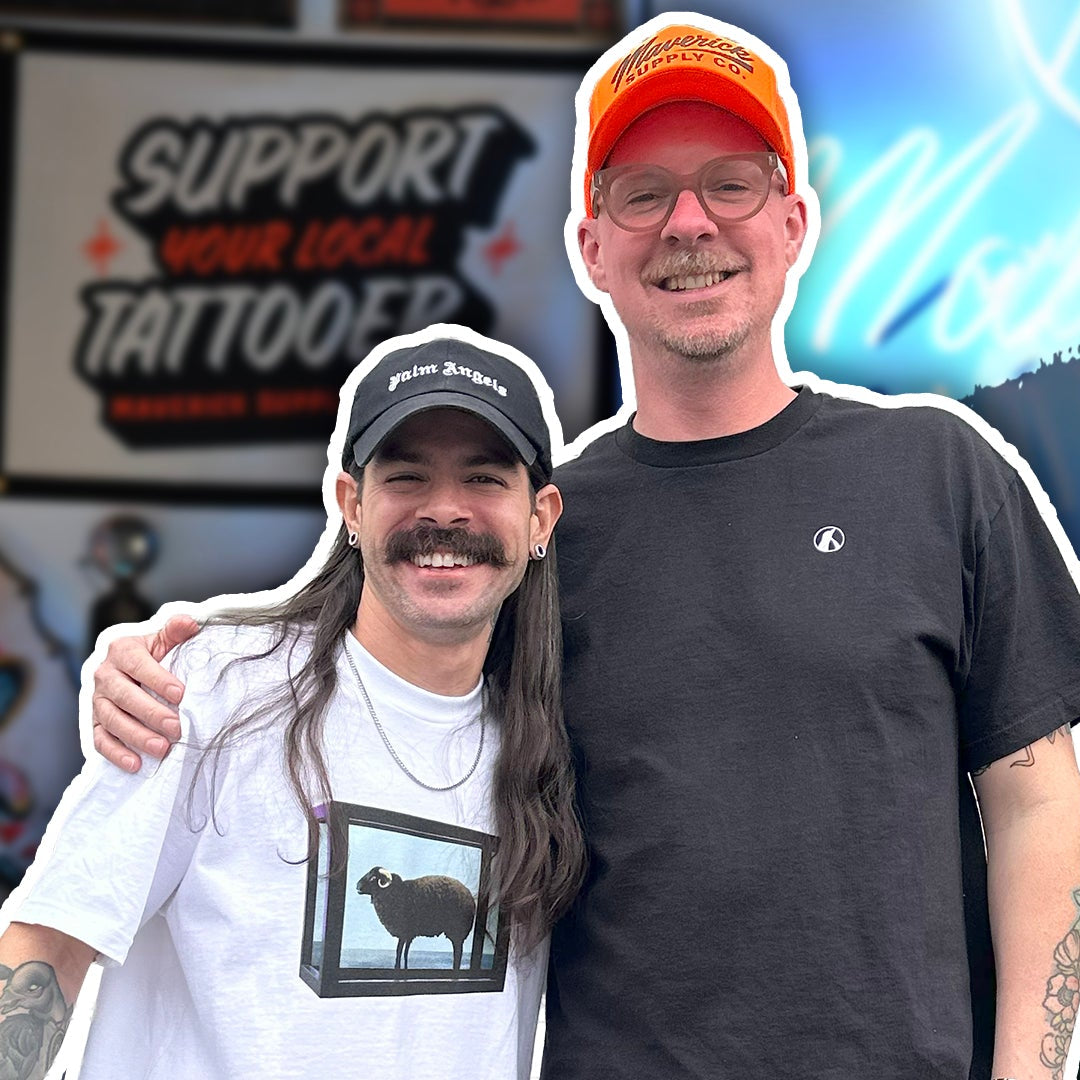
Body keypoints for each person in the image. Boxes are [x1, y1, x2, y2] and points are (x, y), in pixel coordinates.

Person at [87, 15, 1080, 1080]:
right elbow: (380, 672)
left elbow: (1034, 797)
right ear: (591, 247)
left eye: (731, 183)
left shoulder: (937, 471)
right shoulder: (543, 529)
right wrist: (160, 660)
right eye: (641, 192)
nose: (688, 222)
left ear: (793, 222)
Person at [0, 329, 586, 1079]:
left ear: (540, 518)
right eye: (406, 477)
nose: (446, 511)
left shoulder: (544, 751)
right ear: (351, 503)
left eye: (484, 479)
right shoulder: (213, 691)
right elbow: (51, 944)